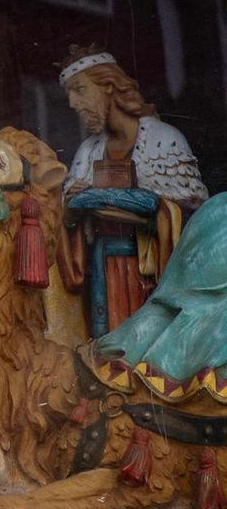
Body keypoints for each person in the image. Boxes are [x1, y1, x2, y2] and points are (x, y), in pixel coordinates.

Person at [57, 47, 207, 337]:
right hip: (101, 266)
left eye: (79, 90)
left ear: (108, 86)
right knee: (106, 342)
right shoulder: (88, 152)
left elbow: (193, 219)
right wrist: (73, 207)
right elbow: (68, 216)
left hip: (152, 270)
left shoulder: (164, 140)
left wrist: (107, 203)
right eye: (70, 95)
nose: (74, 103)